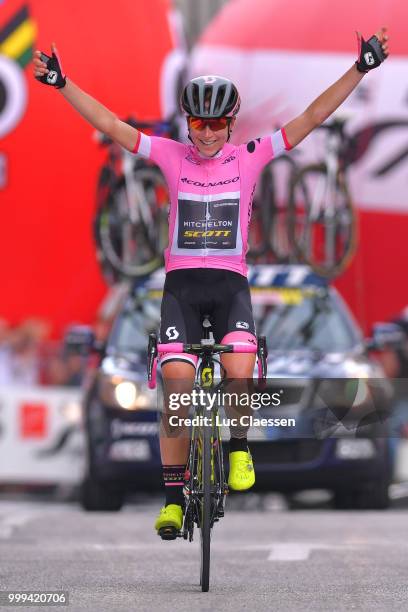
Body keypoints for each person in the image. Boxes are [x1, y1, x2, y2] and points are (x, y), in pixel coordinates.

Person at [33, 27, 389, 537]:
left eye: (216, 124)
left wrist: (360, 68)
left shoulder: (250, 159)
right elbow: (111, 125)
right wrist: (63, 83)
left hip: (229, 289)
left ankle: (239, 449)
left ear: (230, 124)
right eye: (198, 123)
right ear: (188, 122)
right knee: (177, 391)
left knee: (240, 365)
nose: (205, 134)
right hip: (180, 289)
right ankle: (174, 499)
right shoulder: (171, 156)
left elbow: (311, 119)